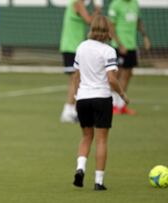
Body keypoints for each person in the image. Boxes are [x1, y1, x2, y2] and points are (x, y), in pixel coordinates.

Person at [71, 15, 129, 190]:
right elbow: (111, 79)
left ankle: (80, 169)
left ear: (92, 29)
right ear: (107, 31)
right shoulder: (109, 50)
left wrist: (76, 96)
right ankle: (98, 182)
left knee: (86, 136)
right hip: (102, 98)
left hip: (83, 98)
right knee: (102, 140)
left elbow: (76, 76)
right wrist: (122, 94)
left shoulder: (81, 47)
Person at [59, 0, 102, 123]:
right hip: (71, 47)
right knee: (75, 79)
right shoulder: (77, 3)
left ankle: (73, 111)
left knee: (78, 79)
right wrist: (97, 9)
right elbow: (90, 21)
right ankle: (68, 111)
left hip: (74, 47)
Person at [108, 0, 151, 115]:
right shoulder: (115, 4)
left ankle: (121, 106)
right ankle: (112, 105)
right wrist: (119, 44)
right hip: (118, 46)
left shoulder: (135, 3)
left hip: (131, 45)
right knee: (116, 75)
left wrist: (145, 36)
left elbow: (138, 21)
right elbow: (111, 26)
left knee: (127, 74)